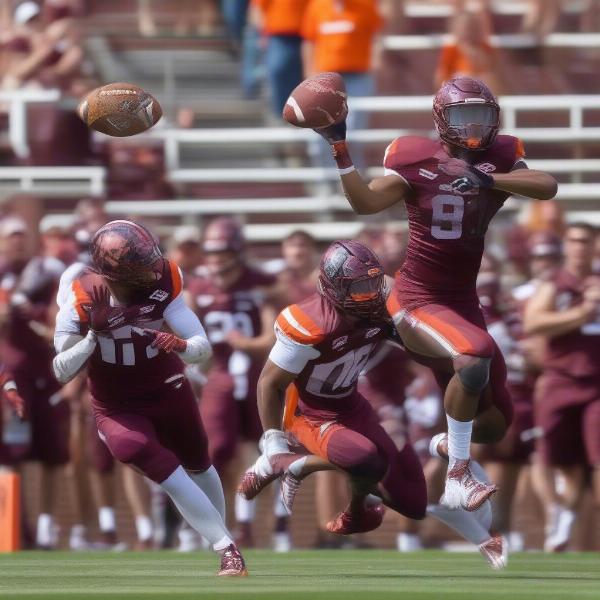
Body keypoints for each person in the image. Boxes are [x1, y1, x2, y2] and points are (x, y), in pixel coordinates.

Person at [310, 76, 557, 512]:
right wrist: (340, 148)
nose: (474, 125)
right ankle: (458, 475)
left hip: (463, 302)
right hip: (417, 298)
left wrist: (489, 181)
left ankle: (448, 441)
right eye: (464, 115)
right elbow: (365, 203)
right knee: (474, 355)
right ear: (442, 119)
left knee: (495, 422)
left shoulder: (501, 157)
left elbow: (546, 186)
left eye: (482, 114)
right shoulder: (414, 156)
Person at [239, 240, 507, 567]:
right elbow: (269, 382)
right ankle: (286, 464)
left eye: (372, 283)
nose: (369, 293)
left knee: (412, 502)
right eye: (357, 287)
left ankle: (348, 503)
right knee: (365, 459)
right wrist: (273, 441)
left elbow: (418, 345)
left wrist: (460, 354)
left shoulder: (383, 305)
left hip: (351, 405)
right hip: (309, 414)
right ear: (332, 288)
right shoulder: (309, 322)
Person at [52, 219, 246, 576]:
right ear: (113, 271)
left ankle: (220, 537)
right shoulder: (82, 296)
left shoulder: (165, 279)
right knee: (142, 454)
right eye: (139, 266)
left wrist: (181, 345)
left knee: (199, 462)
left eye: (150, 259)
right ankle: (227, 548)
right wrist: (94, 334)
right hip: (116, 404)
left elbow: (200, 349)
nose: (152, 270)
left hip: (167, 387)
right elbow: (61, 368)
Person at [186, 217, 281, 549]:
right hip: (218, 378)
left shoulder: (261, 282)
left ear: (237, 252)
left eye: (222, 251)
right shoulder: (196, 288)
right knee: (216, 453)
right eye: (210, 252)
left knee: (267, 453)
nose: (214, 259)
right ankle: (208, 525)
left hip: (256, 378)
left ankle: (265, 526)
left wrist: (245, 343)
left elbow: (271, 338)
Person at [523, 222, 600, 552]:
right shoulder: (556, 284)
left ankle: (573, 521)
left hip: (597, 384)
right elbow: (534, 322)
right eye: (573, 241)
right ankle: (560, 513)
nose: (579, 247)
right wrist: (582, 313)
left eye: (585, 241)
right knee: (553, 457)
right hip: (561, 380)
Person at [0, 215, 69, 549]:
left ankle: (44, 527)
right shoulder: (3, 275)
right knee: (13, 451)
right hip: (15, 380)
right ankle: (15, 527)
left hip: (47, 374)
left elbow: (59, 321)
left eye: (20, 236)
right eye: (11, 236)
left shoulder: (46, 272)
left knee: (52, 452)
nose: (16, 241)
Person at [251, 0, 309, 115]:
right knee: (278, 70)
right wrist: (262, 33)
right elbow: (257, 8)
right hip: (279, 34)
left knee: (303, 78)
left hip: (308, 35)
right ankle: (279, 112)